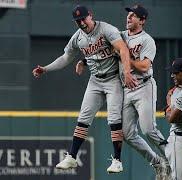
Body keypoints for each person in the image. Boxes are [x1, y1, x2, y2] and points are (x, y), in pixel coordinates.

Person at [32, 5, 137, 172]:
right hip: (95, 80)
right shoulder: (78, 37)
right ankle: (72, 157)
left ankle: (117, 160)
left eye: (83, 19)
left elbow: (123, 48)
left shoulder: (106, 29)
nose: (81, 23)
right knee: (84, 117)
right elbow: (66, 57)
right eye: (77, 21)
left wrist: (127, 72)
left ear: (90, 16)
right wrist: (45, 68)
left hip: (113, 79)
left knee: (114, 119)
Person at [76, 4, 171, 178]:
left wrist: (123, 55)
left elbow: (144, 66)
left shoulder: (147, 40)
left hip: (143, 86)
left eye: (133, 16)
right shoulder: (119, 35)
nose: (129, 17)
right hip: (125, 89)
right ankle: (157, 162)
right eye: (128, 14)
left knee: (148, 129)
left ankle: (173, 158)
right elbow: (99, 48)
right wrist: (83, 60)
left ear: (142, 20)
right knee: (126, 134)